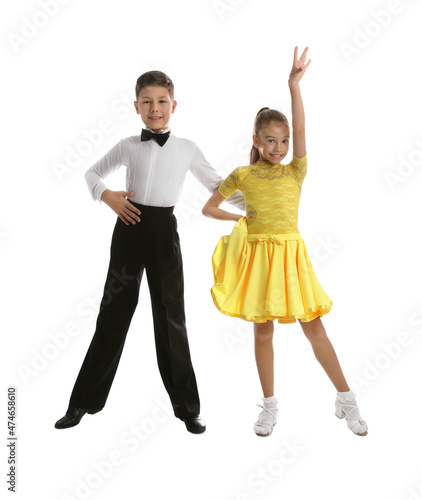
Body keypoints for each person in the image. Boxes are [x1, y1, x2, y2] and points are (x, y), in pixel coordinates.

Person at [54, 70, 245, 434]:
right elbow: (92, 173)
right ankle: (82, 403)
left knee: (171, 317)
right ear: (137, 107)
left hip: (163, 234)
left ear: (173, 105)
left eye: (161, 102)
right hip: (128, 230)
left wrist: (256, 207)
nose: (155, 109)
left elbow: (218, 186)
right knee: (112, 315)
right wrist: (107, 196)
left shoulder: (187, 148)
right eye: (147, 102)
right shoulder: (128, 144)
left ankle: (188, 408)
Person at [202, 47, 368, 437]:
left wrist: (293, 85)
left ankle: (346, 398)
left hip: (292, 259)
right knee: (263, 332)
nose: (279, 147)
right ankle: (269, 406)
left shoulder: (297, 170)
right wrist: (241, 217)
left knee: (315, 330)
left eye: (284, 140)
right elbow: (210, 208)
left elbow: (301, 123)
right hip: (259, 259)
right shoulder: (243, 174)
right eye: (271, 141)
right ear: (257, 140)